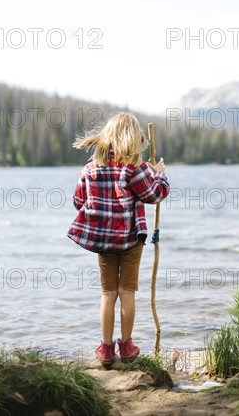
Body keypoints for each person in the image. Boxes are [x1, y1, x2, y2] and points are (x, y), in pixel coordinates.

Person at [67, 112, 170, 366]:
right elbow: (155, 194)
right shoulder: (134, 168)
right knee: (127, 292)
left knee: (108, 293)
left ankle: (105, 349)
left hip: (104, 242)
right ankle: (126, 347)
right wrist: (159, 174)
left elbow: (78, 201)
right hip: (130, 240)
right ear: (133, 138)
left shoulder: (90, 169)